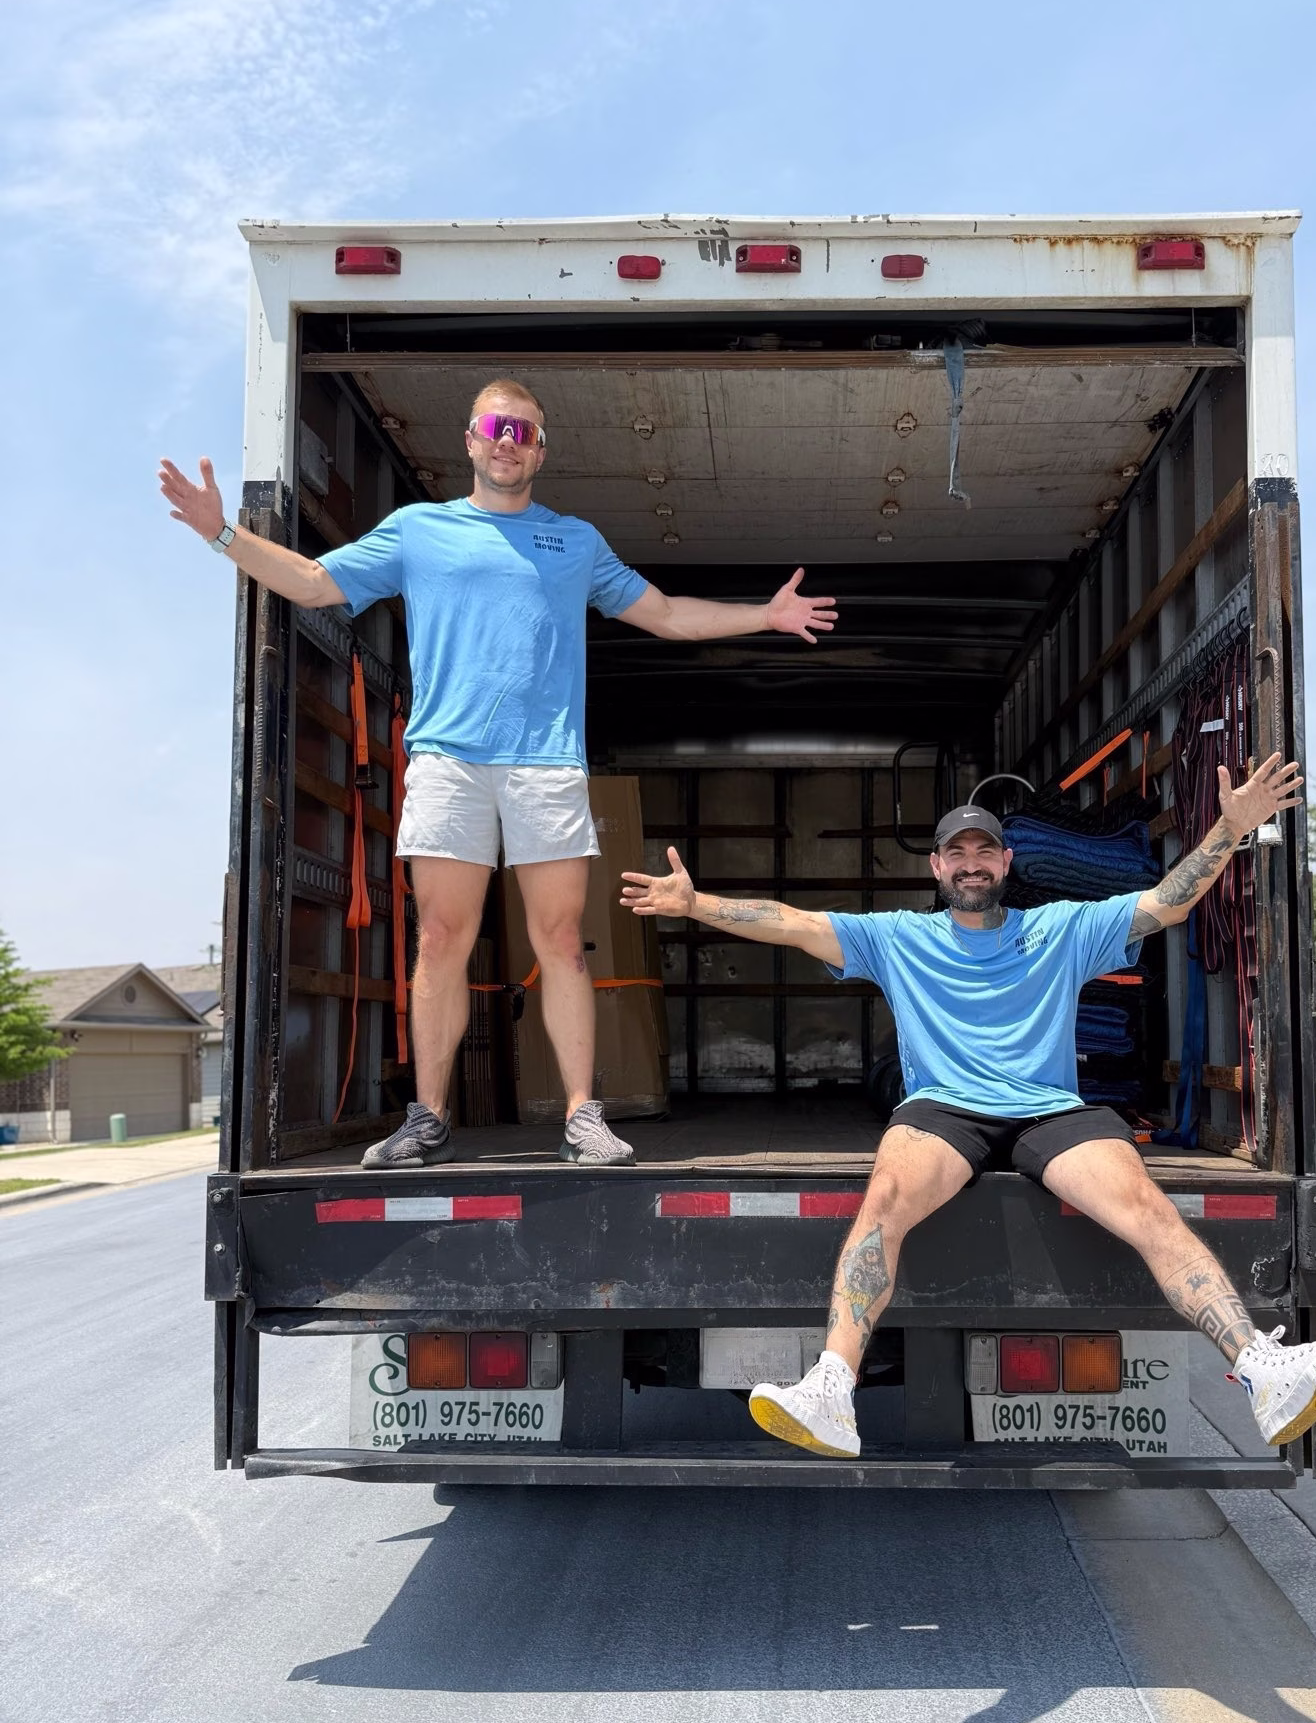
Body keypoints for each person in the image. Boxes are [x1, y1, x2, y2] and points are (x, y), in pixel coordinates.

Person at [160, 380, 835, 1169]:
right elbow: (314, 583)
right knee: (442, 939)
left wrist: (764, 615)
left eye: (524, 431)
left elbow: (666, 615)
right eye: (495, 426)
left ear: (540, 451)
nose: (508, 441)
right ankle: (428, 1120)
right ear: (471, 440)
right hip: (449, 762)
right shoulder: (419, 530)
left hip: (546, 763)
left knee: (562, 940)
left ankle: (582, 1117)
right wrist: (221, 535)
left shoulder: (574, 542)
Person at [622, 751, 1316, 1458]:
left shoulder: (1061, 927)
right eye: (958, 853)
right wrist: (695, 904)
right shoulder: (898, 938)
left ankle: (1263, 1370)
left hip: (1051, 1109)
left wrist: (1231, 829)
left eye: (985, 851)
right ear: (937, 868)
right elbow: (791, 922)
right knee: (883, 1203)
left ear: (1007, 863)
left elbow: (1165, 905)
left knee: (1145, 1206)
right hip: (945, 1110)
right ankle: (831, 1391)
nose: (972, 863)